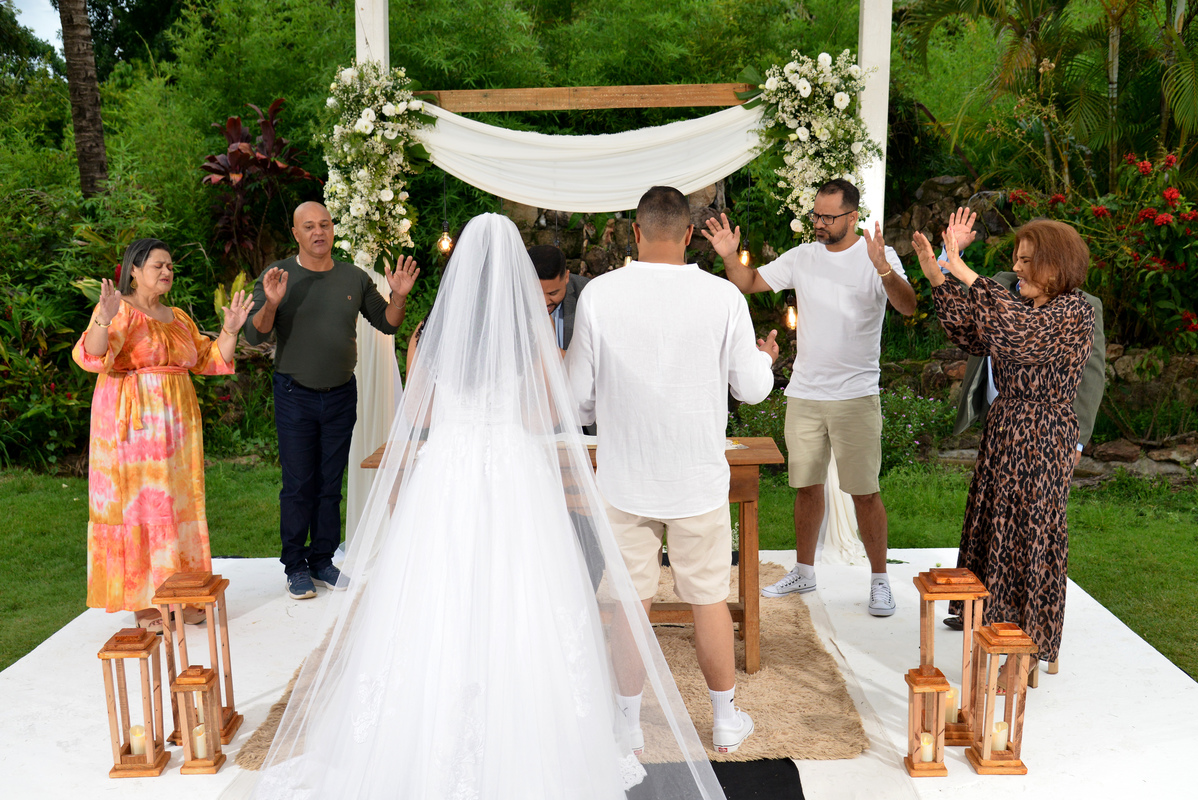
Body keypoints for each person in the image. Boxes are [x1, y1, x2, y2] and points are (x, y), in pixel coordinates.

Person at [241, 213, 725, 800]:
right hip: (513, 470)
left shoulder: (429, 337)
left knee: (439, 594)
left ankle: (422, 734)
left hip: (449, 470)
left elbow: (414, 418)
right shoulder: (531, 339)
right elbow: (549, 414)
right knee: (519, 594)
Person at [567, 186, 778, 754]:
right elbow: (753, 389)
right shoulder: (722, 297)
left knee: (629, 602)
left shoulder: (599, 296)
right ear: (688, 235)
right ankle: (725, 720)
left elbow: (576, 397)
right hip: (696, 479)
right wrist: (767, 359)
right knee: (708, 598)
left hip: (624, 477)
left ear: (636, 233)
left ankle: (626, 723)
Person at [704, 179, 917, 617]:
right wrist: (728, 254)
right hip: (804, 392)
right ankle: (804, 569)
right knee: (806, 487)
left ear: (852, 217)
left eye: (827, 217)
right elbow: (748, 282)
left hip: (857, 394)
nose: (818, 223)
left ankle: (879, 580)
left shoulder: (878, 256)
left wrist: (883, 269)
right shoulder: (803, 257)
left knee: (864, 492)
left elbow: (909, 305)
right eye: (816, 215)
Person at [911, 218, 1095, 674]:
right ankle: (992, 635)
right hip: (1005, 431)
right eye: (1017, 259)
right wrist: (939, 274)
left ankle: (1025, 650)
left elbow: (1023, 338)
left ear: (1057, 265)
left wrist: (966, 271)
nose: (1016, 268)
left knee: (1030, 538)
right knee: (995, 531)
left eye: (1027, 261)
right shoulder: (1018, 304)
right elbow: (972, 332)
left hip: (1044, 435)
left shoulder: (1073, 310)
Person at [73, 238, 253, 630]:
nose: (167, 272)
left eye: (170, 265)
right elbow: (92, 355)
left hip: (176, 430)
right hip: (133, 428)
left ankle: (179, 591)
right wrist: (102, 318)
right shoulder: (119, 309)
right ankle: (147, 602)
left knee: (176, 504)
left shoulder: (178, 316)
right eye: (158, 265)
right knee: (143, 508)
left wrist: (230, 329)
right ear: (134, 271)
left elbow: (208, 359)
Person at [243, 202, 419, 601]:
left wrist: (399, 296)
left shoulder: (352, 277)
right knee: (299, 483)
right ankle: (295, 567)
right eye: (309, 226)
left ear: (333, 229)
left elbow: (387, 321)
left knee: (329, 483)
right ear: (296, 233)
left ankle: (323, 560)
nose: (318, 232)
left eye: (324, 224)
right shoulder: (277, 276)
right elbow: (256, 337)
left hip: (341, 394)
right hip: (295, 395)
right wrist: (271, 302)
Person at [529, 244, 590, 351]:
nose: (544, 302)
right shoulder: (508, 299)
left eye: (552, 293)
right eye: (536, 293)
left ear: (566, 277)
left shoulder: (586, 294)